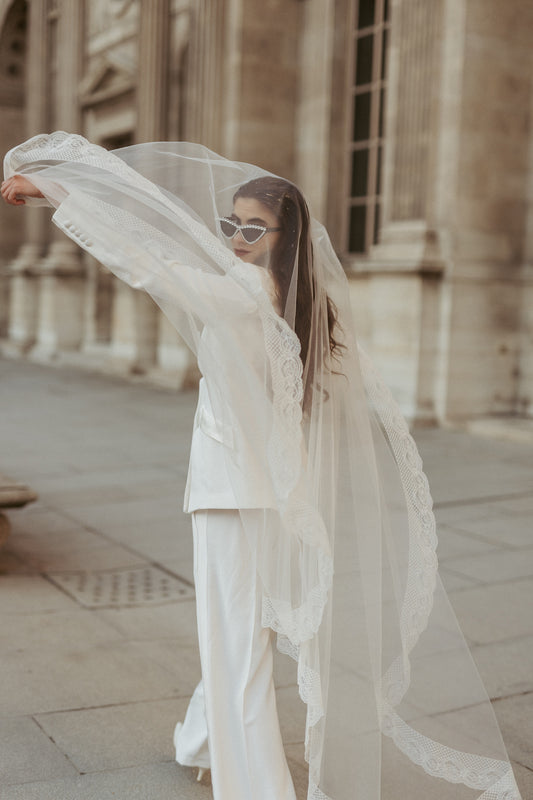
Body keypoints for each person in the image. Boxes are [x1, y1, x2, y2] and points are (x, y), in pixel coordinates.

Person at [1, 132, 522, 800]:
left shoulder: (240, 292)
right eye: (231, 223)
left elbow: (144, 258)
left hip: (229, 493)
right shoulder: (309, 306)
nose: (238, 235)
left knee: (234, 645)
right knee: (239, 631)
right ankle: (199, 738)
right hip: (278, 494)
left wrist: (57, 192)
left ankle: (256, 789)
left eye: (254, 226)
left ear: (283, 235)